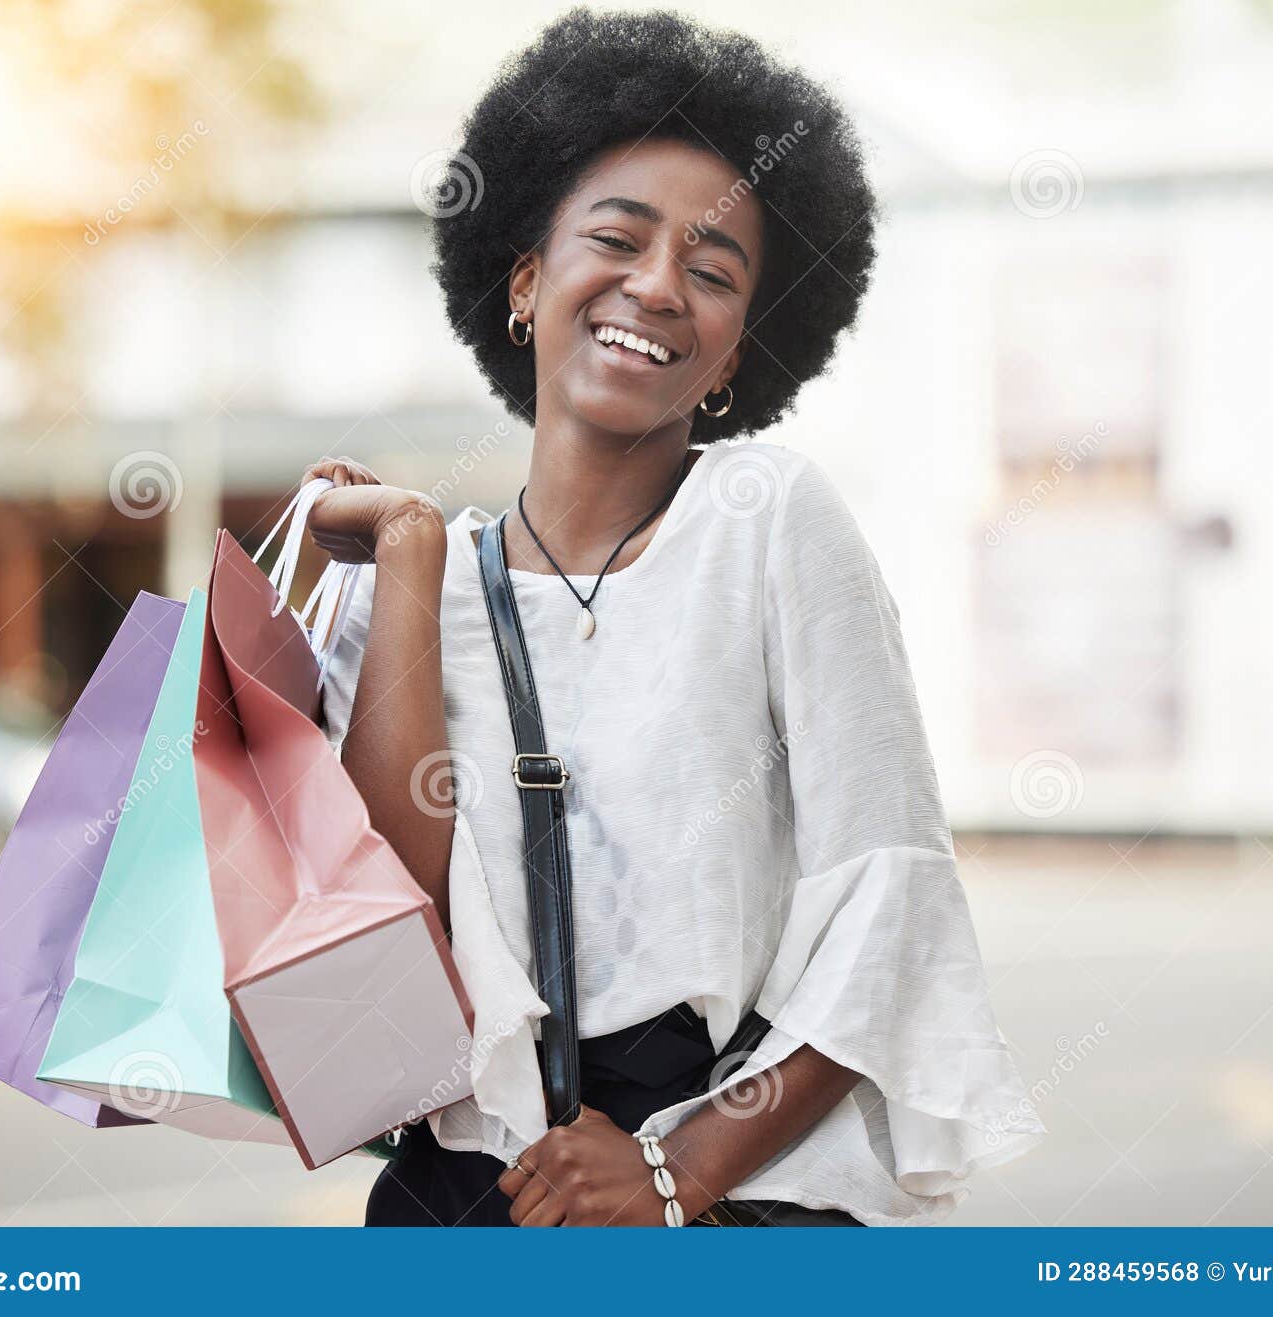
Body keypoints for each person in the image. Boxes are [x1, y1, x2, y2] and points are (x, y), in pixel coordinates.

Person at [299, 7, 1045, 1226]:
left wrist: (677, 1171)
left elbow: (890, 897)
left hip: (722, 1195)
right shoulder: (413, 578)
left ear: (738, 350)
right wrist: (409, 554)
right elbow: (391, 914)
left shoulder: (764, 517)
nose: (655, 285)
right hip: (460, 1206)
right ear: (527, 281)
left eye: (711, 271)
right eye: (616, 239)